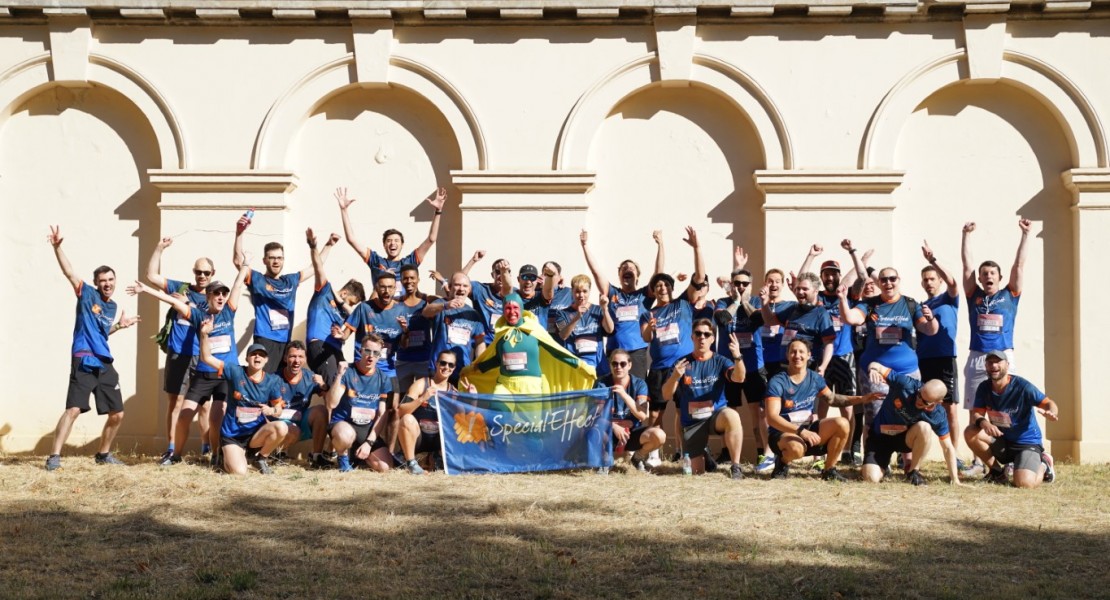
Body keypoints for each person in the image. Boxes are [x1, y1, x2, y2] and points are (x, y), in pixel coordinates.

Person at [127, 263, 250, 466]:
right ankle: (175, 455)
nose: (221, 297)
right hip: (203, 375)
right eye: (216, 294)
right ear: (208, 296)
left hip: (224, 375)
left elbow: (237, 285)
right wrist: (146, 289)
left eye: (223, 294)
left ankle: (216, 456)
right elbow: (172, 302)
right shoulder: (199, 315)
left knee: (216, 417)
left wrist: (244, 265)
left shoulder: (229, 311)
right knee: (184, 416)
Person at [45, 226, 140, 471]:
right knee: (74, 409)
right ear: (96, 283)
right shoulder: (87, 294)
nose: (107, 284)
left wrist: (120, 325)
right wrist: (57, 247)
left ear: (115, 281)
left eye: (110, 279)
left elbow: (102, 333)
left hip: (104, 362)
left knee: (117, 413)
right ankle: (54, 456)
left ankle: (103, 454)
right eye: (102, 281)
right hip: (84, 359)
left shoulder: (112, 306)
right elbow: (69, 273)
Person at [838, 247, 939, 437]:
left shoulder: (910, 304)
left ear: (898, 281)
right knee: (874, 419)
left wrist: (931, 319)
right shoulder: (869, 304)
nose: (888, 283)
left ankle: (907, 461)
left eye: (892, 279)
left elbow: (929, 330)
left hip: (907, 371)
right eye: (883, 279)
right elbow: (851, 318)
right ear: (879, 282)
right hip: (875, 373)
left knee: (909, 415)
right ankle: (874, 460)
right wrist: (843, 300)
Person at [764, 339, 881, 481]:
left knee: (842, 423)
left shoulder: (814, 378)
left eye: (801, 352)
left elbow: (832, 399)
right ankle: (782, 463)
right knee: (796, 449)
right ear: (787, 355)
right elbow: (772, 418)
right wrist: (801, 431)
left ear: (808, 355)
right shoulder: (778, 381)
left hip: (809, 430)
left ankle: (829, 470)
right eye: (793, 352)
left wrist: (861, 399)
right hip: (783, 434)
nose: (797, 355)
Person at [145, 236, 214, 463]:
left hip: (202, 355)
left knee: (205, 405)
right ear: (193, 272)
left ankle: (207, 448)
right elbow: (151, 276)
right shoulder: (181, 288)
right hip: (178, 353)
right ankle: (172, 449)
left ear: (212, 274)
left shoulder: (215, 295)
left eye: (206, 273)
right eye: (198, 272)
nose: (202, 276)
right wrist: (159, 247)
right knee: (175, 403)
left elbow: (211, 318)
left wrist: (186, 304)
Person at [960, 218, 1030, 429]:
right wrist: (966, 236)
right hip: (977, 356)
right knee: (976, 410)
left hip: (1003, 355)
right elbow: (967, 265)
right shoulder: (974, 295)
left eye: (992, 273)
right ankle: (978, 460)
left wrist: (1025, 234)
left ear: (999, 277)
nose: (988, 276)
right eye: (984, 274)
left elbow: (1019, 265)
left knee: (1006, 406)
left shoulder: (1010, 294)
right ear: (980, 279)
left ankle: (1009, 455)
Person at [798, 241, 863, 464]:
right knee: (821, 404)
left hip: (845, 355)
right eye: (826, 274)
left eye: (834, 274)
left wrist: (854, 254)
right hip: (820, 357)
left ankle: (847, 451)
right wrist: (810, 255)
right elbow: (802, 282)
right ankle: (820, 451)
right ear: (822, 277)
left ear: (839, 276)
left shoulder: (847, 295)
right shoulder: (819, 298)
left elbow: (862, 279)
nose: (831, 278)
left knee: (847, 405)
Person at [197, 319, 288, 475]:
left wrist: (272, 411)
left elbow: (279, 410)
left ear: (266, 360)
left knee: (281, 427)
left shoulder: (272, 381)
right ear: (247, 358)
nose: (257, 357)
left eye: (261, 355)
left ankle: (261, 458)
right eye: (253, 354)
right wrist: (204, 335)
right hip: (233, 435)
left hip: (255, 434)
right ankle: (223, 453)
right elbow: (206, 358)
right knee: (239, 472)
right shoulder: (235, 371)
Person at [713, 249, 774, 474]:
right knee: (728, 410)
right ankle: (726, 452)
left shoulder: (757, 301)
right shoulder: (721, 301)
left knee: (758, 412)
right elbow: (722, 318)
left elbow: (758, 319)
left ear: (750, 285)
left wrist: (744, 301)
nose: (740, 287)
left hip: (753, 366)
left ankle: (763, 452)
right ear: (731, 285)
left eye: (745, 284)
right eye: (737, 283)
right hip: (728, 367)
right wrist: (735, 302)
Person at [662, 319, 747, 479]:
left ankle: (735, 466)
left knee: (732, 416)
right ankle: (705, 457)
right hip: (692, 423)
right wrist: (674, 377)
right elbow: (666, 395)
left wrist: (737, 356)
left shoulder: (720, 361)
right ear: (692, 337)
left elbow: (739, 378)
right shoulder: (681, 363)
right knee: (696, 473)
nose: (702, 337)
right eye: (698, 334)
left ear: (712, 339)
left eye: (707, 334)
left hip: (716, 417)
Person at [462, 292, 596, 395]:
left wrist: (582, 366)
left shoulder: (534, 329)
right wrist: (474, 368)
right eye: (508, 308)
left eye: (515, 307)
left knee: (531, 428)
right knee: (497, 417)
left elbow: (557, 352)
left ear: (521, 309)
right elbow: (498, 359)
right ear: (503, 311)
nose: (512, 312)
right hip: (505, 385)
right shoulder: (501, 333)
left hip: (531, 387)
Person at [641, 227, 704, 436]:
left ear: (671, 287)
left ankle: (681, 451)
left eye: (665, 284)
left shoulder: (683, 304)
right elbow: (646, 337)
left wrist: (697, 248)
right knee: (655, 412)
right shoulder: (649, 313)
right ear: (654, 290)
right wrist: (649, 329)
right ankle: (653, 453)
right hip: (659, 368)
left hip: (683, 365)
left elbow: (699, 277)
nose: (661, 288)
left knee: (683, 410)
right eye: (657, 285)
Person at [853, 363, 959, 485]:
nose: (919, 400)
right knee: (870, 479)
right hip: (880, 437)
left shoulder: (938, 415)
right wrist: (873, 370)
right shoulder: (906, 384)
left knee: (924, 427)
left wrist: (955, 479)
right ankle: (883, 467)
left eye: (925, 401)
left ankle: (913, 471)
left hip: (904, 439)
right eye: (919, 394)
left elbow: (947, 447)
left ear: (938, 402)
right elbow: (876, 365)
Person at [233, 214, 315, 372]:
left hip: (285, 341)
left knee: (281, 384)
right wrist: (239, 233)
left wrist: (319, 246)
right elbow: (238, 261)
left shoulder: (290, 281)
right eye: (272, 258)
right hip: (265, 339)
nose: (276, 261)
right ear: (264, 260)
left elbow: (315, 268)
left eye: (279, 258)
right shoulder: (257, 279)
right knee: (264, 380)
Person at [965, 350, 1058, 488]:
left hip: (1026, 443)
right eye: (990, 362)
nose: (994, 365)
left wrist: (1051, 412)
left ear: (1007, 365)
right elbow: (976, 414)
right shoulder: (984, 387)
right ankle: (997, 472)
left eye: (998, 362)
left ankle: (1044, 464)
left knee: (1023, 483)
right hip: (1002, 441)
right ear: (986, 366)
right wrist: (984, 422)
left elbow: (1049, 403)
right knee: (971, 431)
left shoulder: (1022, 386)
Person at [580, 229, 665, 380]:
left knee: (637, 393)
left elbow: (658, 274)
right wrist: (585, 245)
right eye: (624, 268)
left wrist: (660, 245)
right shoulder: (613, 293)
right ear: (619, 275)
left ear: (637, 276)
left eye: (632, 269)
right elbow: (596, 272)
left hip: (637, 352)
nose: (628, 269)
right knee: (614, 393)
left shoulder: (643, 295)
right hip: (614, 352)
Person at [336, 186, 447, 292]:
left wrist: (438, 211)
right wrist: (344, 210)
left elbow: (431, 239)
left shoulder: (410, 262)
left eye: (396, 241)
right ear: (384, 245)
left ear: (402, 244)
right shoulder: (376, 261)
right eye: (389, 241)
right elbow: (351, 239)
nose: (392, 243)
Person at [915, 241, 964, 467]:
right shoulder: (921, 305)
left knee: (949, 408)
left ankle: (954, 456)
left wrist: (932, 260)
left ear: (940, 281)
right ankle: (917, 452)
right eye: (925, 279)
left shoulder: (949, 298)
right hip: (923, 360)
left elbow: (954, 281)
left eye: (932, 278)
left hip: (945, 358)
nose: (928, 283)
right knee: (922, 405)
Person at [326, 335, 394, 473]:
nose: (371, 356)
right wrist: (339, 375)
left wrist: (369, 443)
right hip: (344, 424)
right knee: (345, 435)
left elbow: (382, 414)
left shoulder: (384, 379)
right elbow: (332, 404)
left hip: (367, 428)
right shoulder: (347, 372)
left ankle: (357, 457)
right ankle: (343, 458)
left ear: (380, 355)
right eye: (367, 351)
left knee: (385, 468)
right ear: (360, 351)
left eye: (375, 353)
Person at [304, 228, 360, 388]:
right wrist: (319, 246)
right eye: (351, 301)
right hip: (320, 346)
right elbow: (318, 267)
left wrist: (344, 305)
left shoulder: (347, 311)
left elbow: (359, 314)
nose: (351, 306)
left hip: (336, 349)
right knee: (332, 386)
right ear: (344, 293)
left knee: (345, 386)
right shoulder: (325, 291)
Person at [594, 349, 665, 473]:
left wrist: (624, 395)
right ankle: (605, 460)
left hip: (631, 434)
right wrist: (614, 426)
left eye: (623, 364)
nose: (618, 367)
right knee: (589, 430)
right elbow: (596, 415)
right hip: (609, 432)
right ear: (610, 365)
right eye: (614, 364)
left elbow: (643, 416)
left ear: (630, 365)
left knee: (659, 435)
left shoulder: (639, 384)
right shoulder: (601, 383)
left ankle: (638, 457)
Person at [758, 271, 835, 375]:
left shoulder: (821, 314)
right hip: (785, 366)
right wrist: (764, 302)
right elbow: (770, 320)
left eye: (805, 289)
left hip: (806, 368)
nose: (800, 292)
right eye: (798, 288)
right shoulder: (792, 308)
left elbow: (828, 344)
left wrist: (823, 367)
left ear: (815, 291)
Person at [397, 350, 461, 474]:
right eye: (443, 363)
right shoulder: (421, 384)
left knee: (457, 426)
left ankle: (436, 457)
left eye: (450, 365)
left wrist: (473, 399)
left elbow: (466, 422)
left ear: (454, 368)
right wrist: (422, 398)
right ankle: (411, 463)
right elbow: (401, 411)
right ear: (436, 364)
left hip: (438, 441)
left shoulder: (454, 392)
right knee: (407, 419)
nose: (446, 367)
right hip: (418, 438)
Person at [422, 272, 488, 384]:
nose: (461, 289)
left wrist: (479, 365)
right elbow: (426, 312)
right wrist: (445, 306)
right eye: (457, 285)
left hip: (462, 371)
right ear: (450, 287)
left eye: (465, 286)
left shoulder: (473, 314)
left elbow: (480, 342)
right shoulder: (441, 304)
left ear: (469, 289)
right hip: (439, 369)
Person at [273, 341, 329, 462]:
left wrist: (324, 386)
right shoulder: (274, 379)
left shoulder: (311, 377)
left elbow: (331, 402)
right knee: (291, 429)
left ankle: (317, 456)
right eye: (292, 356)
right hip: (280, 425)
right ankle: (278, 453)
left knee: (321, 410)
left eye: (300, 357)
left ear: (305, 359)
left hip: (301, 423)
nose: (296, 361)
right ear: (285, 358)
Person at [555, 274, 614, 376]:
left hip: (598, 368)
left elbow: (610, 329)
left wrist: (605, 309)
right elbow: (563, 335)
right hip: (575, 369)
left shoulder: (598, 310)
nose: (581, 295)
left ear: (589, 291)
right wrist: (577, 317)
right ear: (572, 292)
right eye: (577, 292)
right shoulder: (562, 313)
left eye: (584, 291)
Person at [395, 264, 437, 393]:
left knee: (423, 397)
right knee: (401, 397)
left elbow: (449, 301)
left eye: (412, 278)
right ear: (401, 280)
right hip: (403, 359)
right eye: (405, 278)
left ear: (418, 279)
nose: (409, 281)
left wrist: (443, 282)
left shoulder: (427, 300)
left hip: (424, 359)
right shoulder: (396, 303)